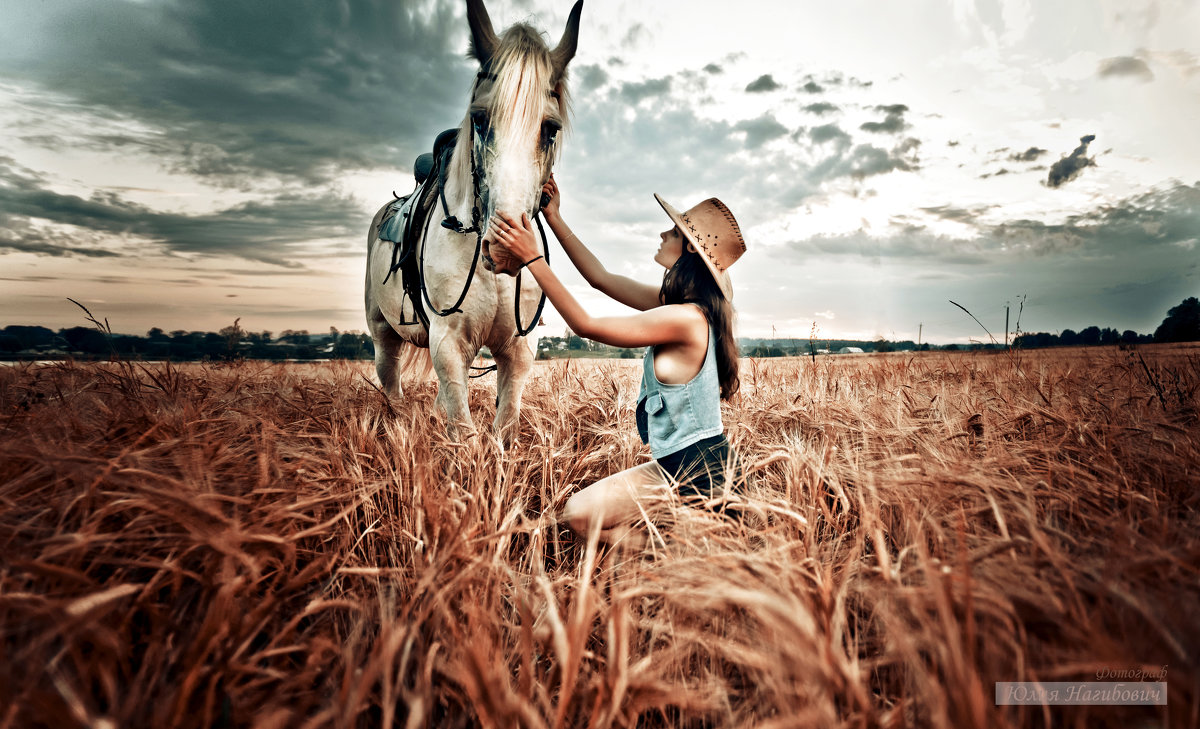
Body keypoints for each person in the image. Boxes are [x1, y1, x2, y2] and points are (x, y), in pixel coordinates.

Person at [490, 175, 746, 542]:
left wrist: (532, 258)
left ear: (690, 249)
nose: (662, 235)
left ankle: (670, 556)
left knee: (580, 516)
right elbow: (601, 278)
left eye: (672, 232)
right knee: (577, 513)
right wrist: (554, 218)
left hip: (702, 474)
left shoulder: (686, 319)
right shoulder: (680, 308)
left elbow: (585, 324)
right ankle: (670, 553)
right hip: (678, 467)